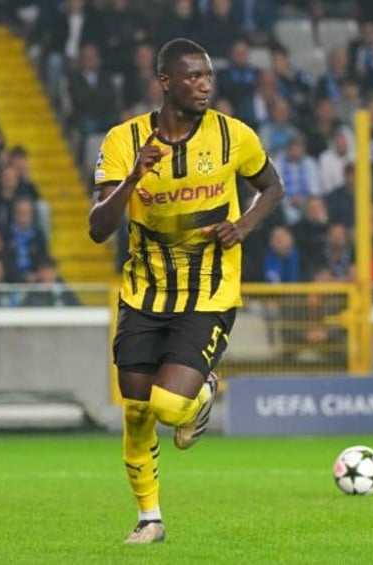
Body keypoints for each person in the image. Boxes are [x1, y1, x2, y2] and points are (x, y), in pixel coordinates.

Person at [88, 38, 284, 544]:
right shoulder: (122, 141)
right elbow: (97, 228)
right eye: (193, 77)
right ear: (166, 82)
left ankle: (201, 395)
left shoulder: (232, 136)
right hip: (144, 293)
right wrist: (133, 178)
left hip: (209, 291)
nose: (204, 86)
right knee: (135, 414)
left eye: (208, 77)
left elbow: (273, 186)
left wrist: (242, 225)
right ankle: (149, 518)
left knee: (169, 408)